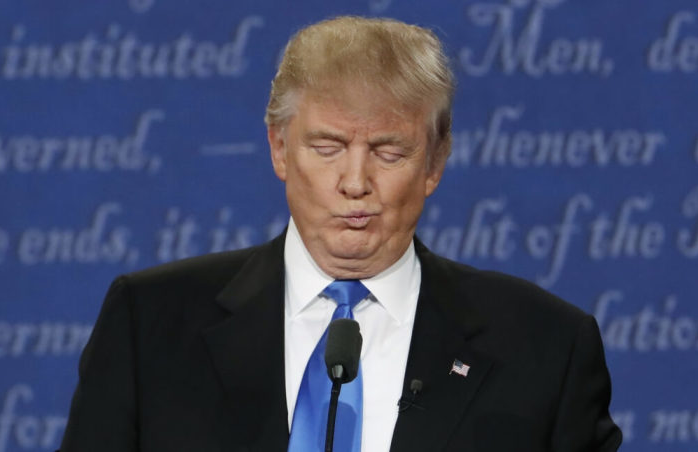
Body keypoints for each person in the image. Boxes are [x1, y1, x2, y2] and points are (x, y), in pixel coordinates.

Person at [59, 16, 622, 452]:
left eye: (388, 151)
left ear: (435, 163)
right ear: (279, 148)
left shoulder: (547, 347)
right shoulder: (149, 324)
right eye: (327, 148)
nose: (356, 182)